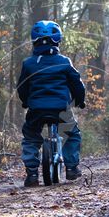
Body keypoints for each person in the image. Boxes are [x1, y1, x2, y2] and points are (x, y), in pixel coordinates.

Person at [16, 20, 86, 187]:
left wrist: (26, 101)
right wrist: (80, 100)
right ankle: (71, 168)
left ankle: (32, 173)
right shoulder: (64, 61)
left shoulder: (29, 64)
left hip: (37, 109)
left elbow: (22, 87)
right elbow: (77, 84)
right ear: (58, 40)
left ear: (34, 41)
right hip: (61, 108)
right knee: (71, 134)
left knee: (31, 137)